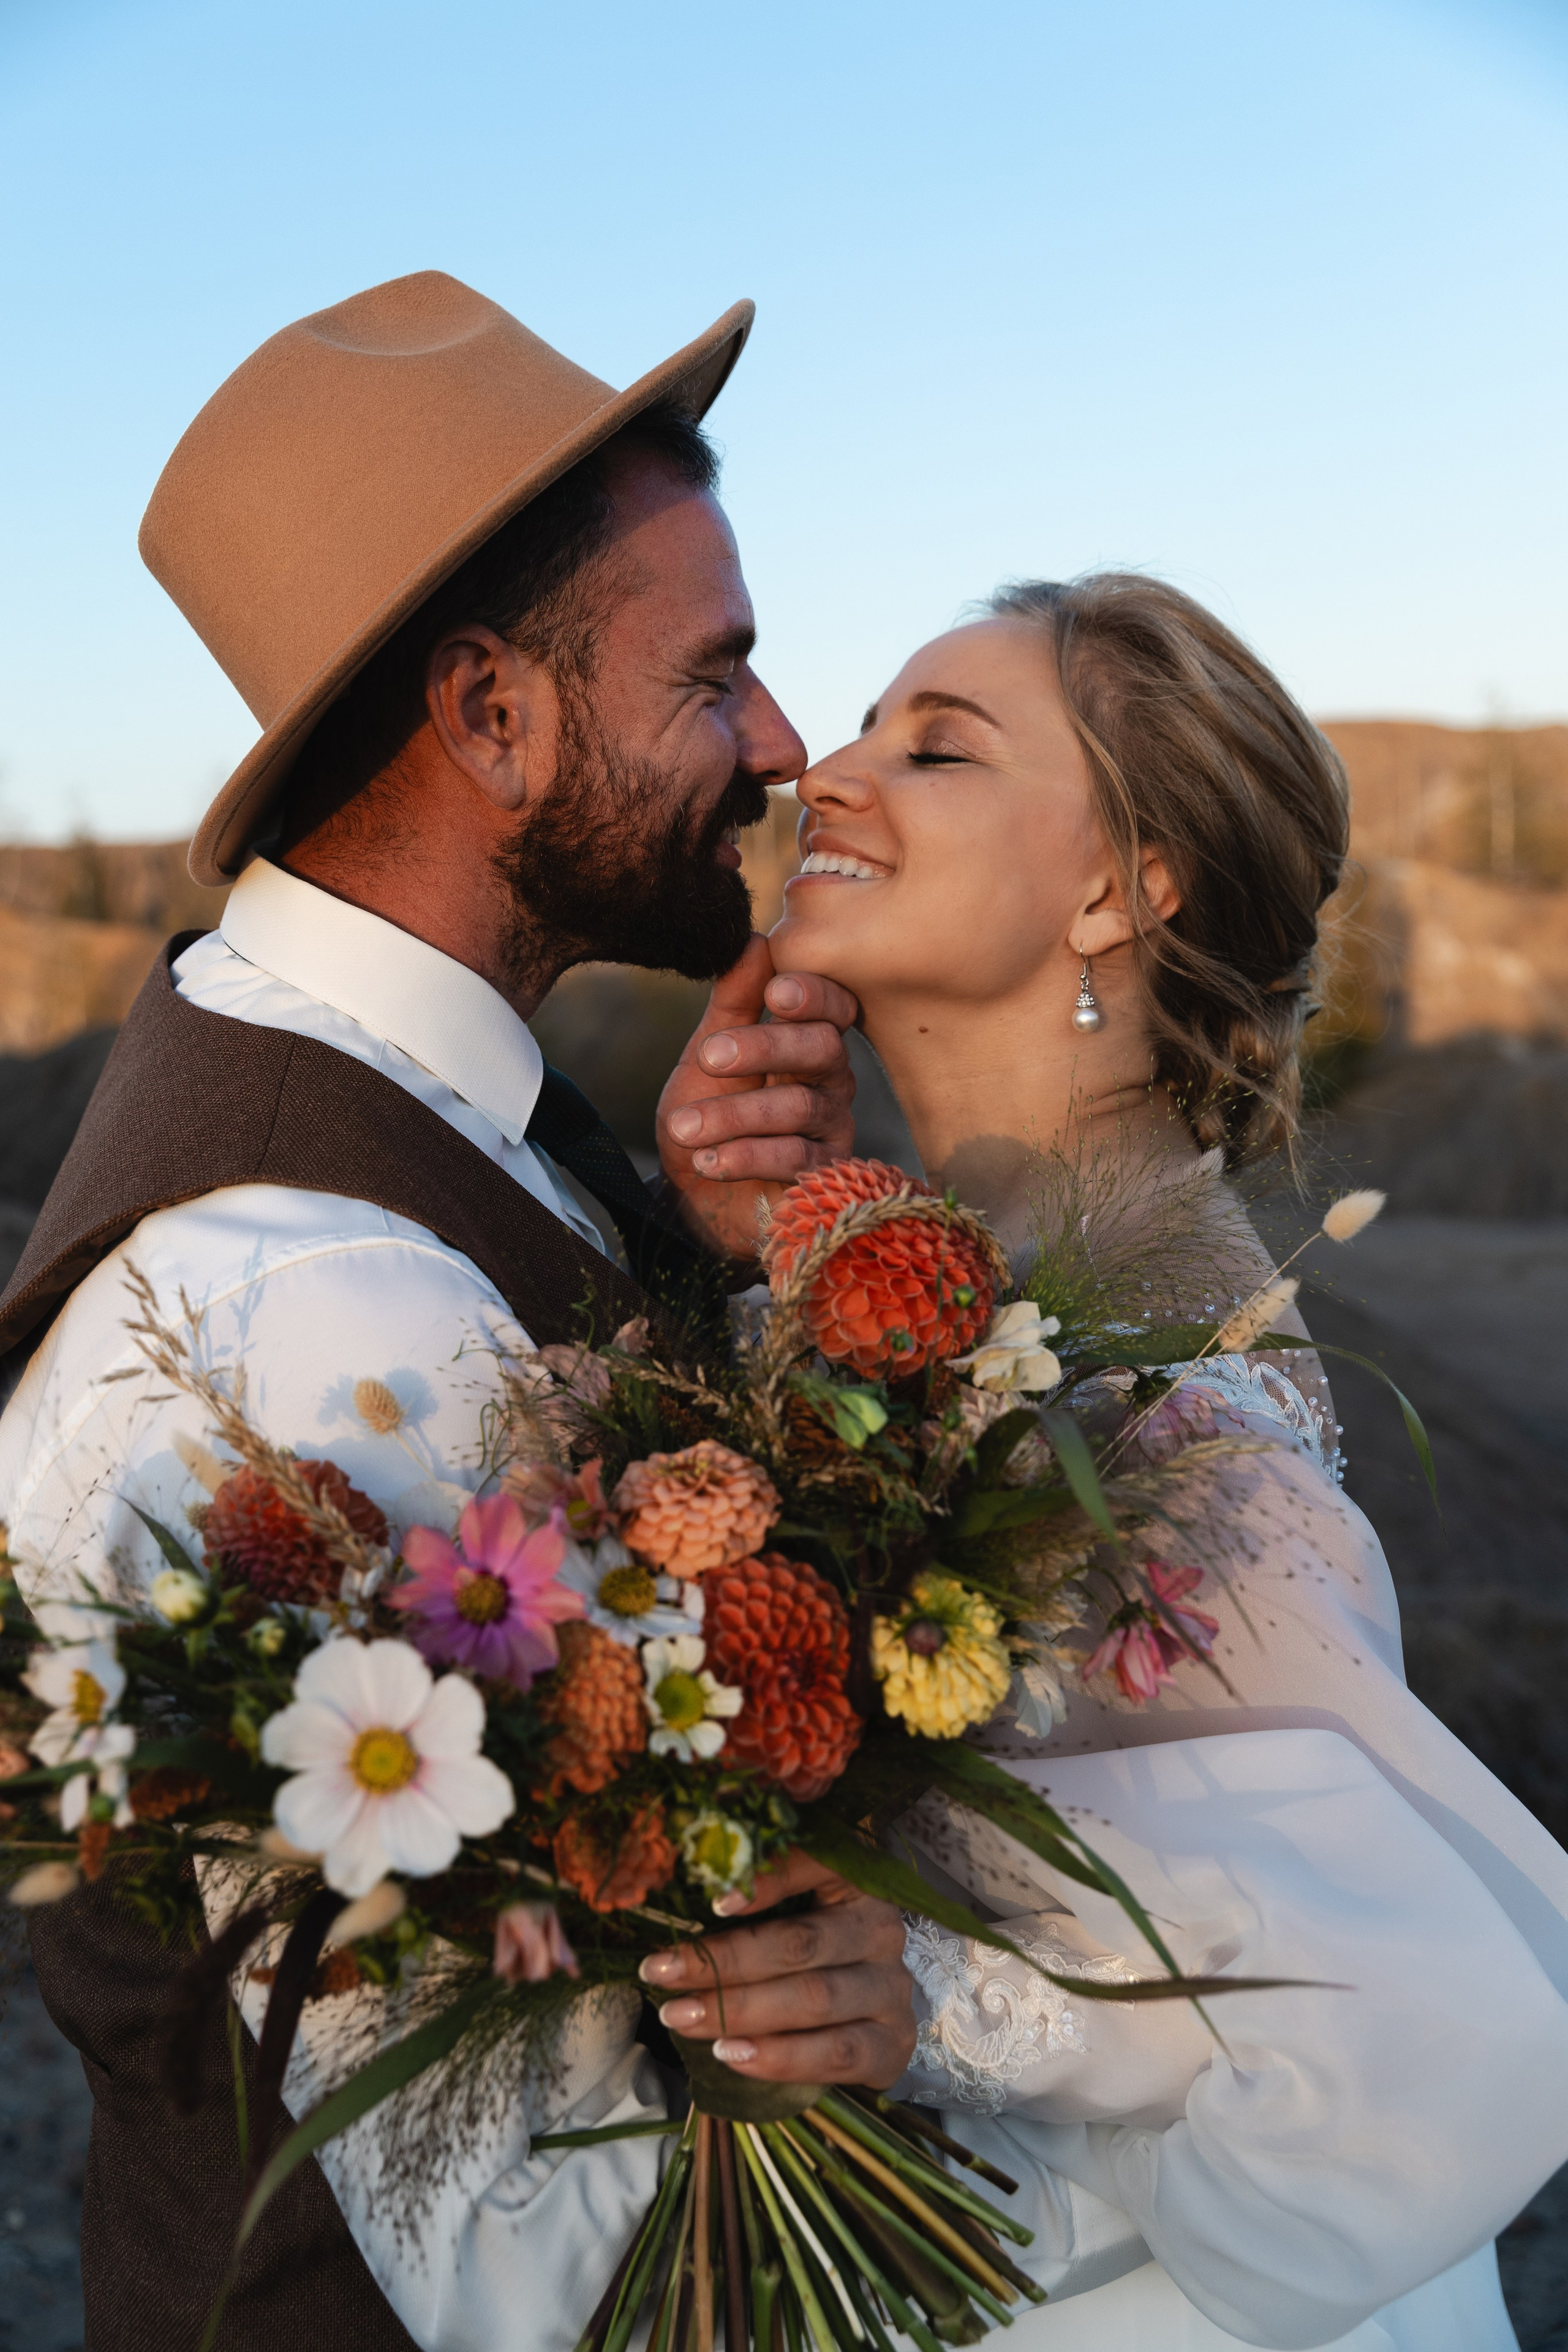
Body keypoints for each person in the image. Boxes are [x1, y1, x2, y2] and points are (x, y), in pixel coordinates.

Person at [0, 272, 914, 2350]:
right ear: (494, 714)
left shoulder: (407, 1103)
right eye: (717, 673)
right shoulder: (308, 1303)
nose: (784, 746)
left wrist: (711, 1259)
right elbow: (545, 2235)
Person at [762, 571, 1568, 2350]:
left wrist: (921, 1997)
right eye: (865, 726)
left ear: (1121, 891)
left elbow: (1428, 2024)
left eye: (937, 748)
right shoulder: (953, 1288)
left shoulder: (1167, 1413)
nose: (827, 771)